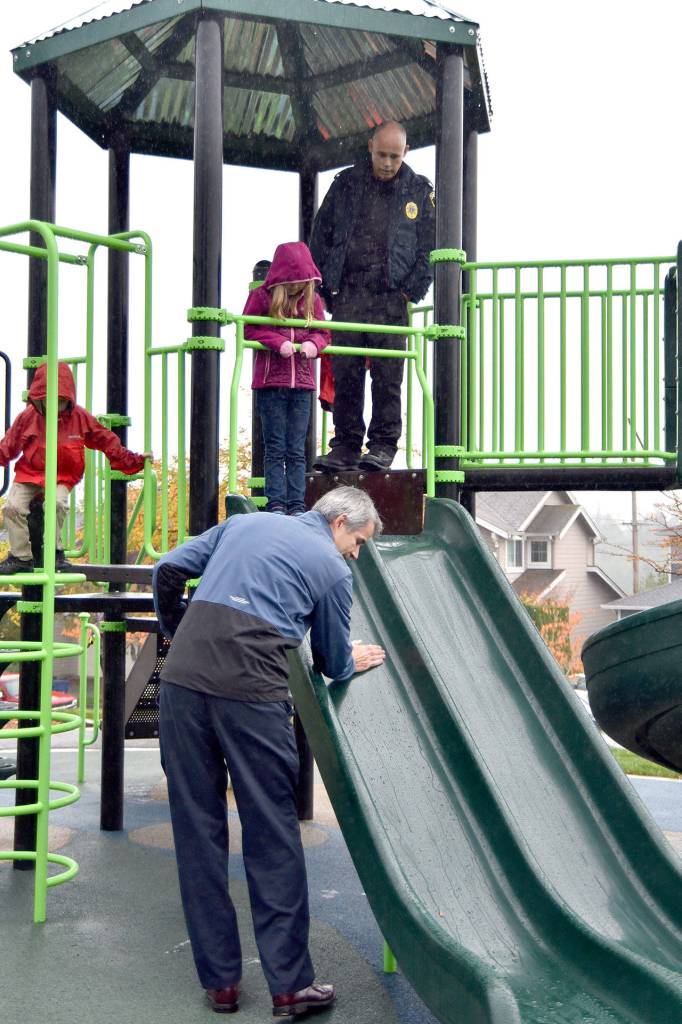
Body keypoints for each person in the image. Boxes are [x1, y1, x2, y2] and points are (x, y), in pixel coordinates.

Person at [152, 485, 385, 1017]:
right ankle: (289, 987)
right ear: (340, 521)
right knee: (272, 832)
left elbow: (167, 568)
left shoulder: (244, 524)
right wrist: (352, 658)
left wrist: (177, 629)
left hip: (183, 681)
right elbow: (330, 661)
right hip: (251, 692)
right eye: (358, 541)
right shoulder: (332, 569)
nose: (356, 554)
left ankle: (222, 986)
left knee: (196, 828)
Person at [310, 121, 435, 472]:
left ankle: (382, 444)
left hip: (390, 297)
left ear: (406, 152)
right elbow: (320, 237)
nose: (387, 163)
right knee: (346, 372)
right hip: (349, 293)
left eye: (394, 156)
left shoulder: (419, 191)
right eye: (381, 154)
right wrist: (322, 289)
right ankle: (346, 445)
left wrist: (410, 290)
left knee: (388, 375)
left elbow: (430, 249)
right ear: (370, 147)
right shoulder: (345, 185)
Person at [0, 361, 148, 574]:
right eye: (48, 401)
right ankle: (21, 556)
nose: (54, 407)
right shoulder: (29, 417)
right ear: (39, 400)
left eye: (60, 401)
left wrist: (134, 460)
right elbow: (9, 444)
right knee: (12, 506)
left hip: (61, 475)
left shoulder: (79, 417)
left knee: (57, 503)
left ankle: (55, 552)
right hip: (31, 473)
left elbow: (105, 440)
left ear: (67, 399)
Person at [245, 241, 331, 515]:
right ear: (283, 279)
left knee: (296, 449)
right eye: (293, 282)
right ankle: (276, 503)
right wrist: (275, 341)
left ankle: (296, 504)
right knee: (275, 447)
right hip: (272, 384)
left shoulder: (313, 301)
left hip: (302, 385)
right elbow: (249, 329)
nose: (297, 287)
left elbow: (324, 333)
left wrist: (313, 345)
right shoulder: (262, 297)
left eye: (302, 282)